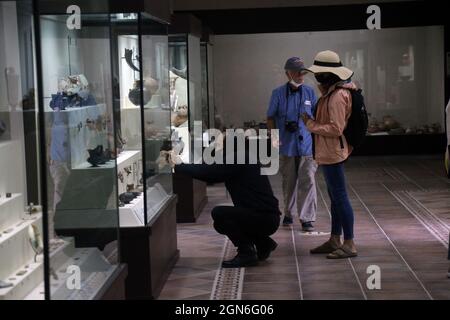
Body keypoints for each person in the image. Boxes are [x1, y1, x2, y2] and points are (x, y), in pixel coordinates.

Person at [175, 137, 281, 268]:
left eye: (221, 145)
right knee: (224, 219)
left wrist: (177, 165)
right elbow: (211, 169)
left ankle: (246, 253)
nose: (217, 147)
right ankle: (263, 243)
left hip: (263, 218)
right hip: (267, 216)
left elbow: (208, 173)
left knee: (220, 215)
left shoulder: (237, 159)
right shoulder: (243, 157)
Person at [301, 50, 358, 259]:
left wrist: (310, 124)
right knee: (335, 197)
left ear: (327, 75)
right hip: (328, 152)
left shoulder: (336, 97)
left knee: (340, 197)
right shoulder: (332, 93)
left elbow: (335, 129)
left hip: (333, 152)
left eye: (319, 73)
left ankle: (349, 242)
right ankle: (335, 239)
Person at [267, 57, 318, 231]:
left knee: (308, 180)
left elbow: (317, 117)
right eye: (296, 71)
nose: (300, 75)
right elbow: (270, 117)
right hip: (287, 145)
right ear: (287, 73)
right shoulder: (278, 93)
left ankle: (307, 218)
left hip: (307, 145)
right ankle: (288, 213)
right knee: (289, 181)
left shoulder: (310, 93)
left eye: (302, 71)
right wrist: (275, 139)